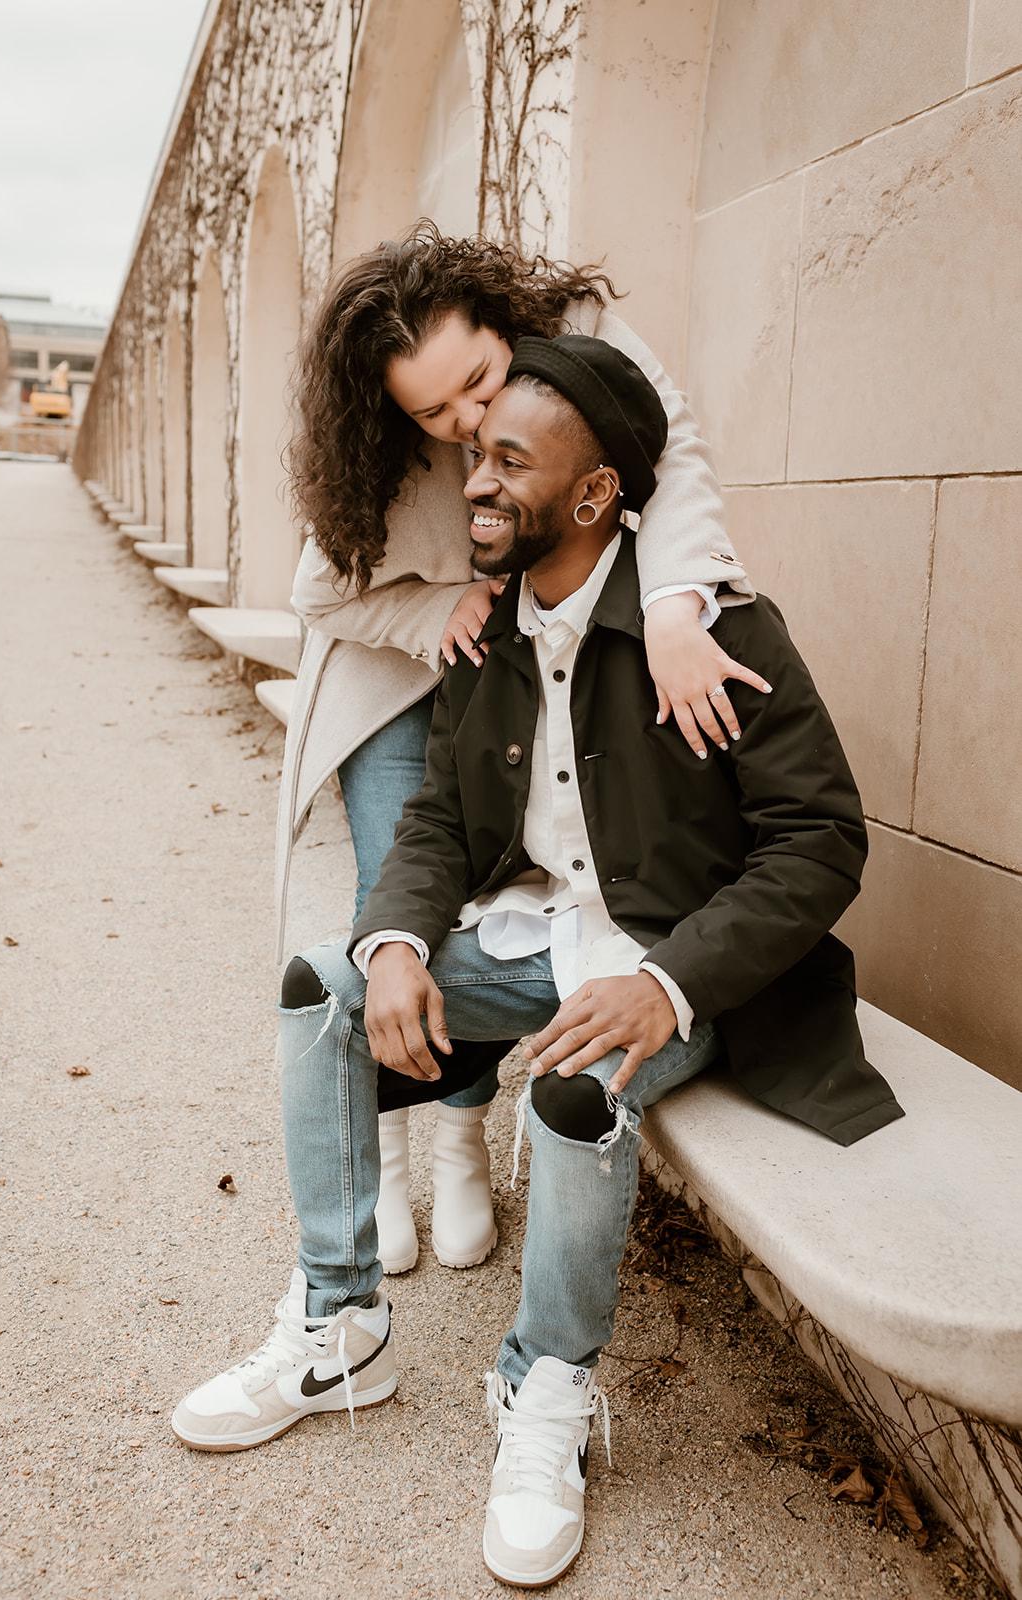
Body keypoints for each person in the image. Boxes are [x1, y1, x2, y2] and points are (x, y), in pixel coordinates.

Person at [173, 334, 903, 1588]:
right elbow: (441, 823)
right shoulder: (490, 632)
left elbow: (820, 839)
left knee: (576, 1083)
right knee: (323, 990)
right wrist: (394, 941)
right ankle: (338, 1325)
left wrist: (667, 983)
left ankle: (548, 1388)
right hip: (536, 934)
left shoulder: (718, 629)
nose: (477, 478)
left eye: (511, 460)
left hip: (682, 967)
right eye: (478, 456)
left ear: (596, 492)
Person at [277, 222, 770, 1272]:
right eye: (434, 414)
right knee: (396, 901)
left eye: (478, 383)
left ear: (507, 328)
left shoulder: (577, 335)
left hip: (527, 652)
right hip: (404, 675)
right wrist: (436, 611)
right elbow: (319, 594)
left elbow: (672, 458)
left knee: (486, 893)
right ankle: (387, 1149)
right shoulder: (383, 454)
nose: (466, 423)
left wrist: (675, 608)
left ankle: (461, 1138)